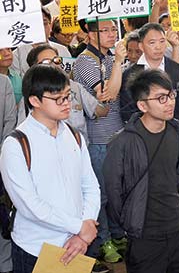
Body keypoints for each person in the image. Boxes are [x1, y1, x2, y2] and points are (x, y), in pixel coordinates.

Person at [0, 65, 100, 273]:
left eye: (67, 96)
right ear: (34, 101)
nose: (67, 104)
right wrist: (79, 227)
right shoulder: (17, 144)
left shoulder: (73, 135)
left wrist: (85, 229)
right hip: (36, 249)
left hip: (79, 244)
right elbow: (29, 205)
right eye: (58, 99)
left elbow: (90, 185)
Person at [103, 70, 179, 273]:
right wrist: (130, 223)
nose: (170, 102)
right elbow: (113, 191)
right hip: (144, 235)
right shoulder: (123, 142)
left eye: (171, 95)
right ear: (142, 105)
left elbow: (177, 175)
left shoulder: (178, 133)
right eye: (161, 98)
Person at [71, 18, 128, 263]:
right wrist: (117, 61)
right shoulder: (85, 60)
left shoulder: (108, 57)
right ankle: (103, 239)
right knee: (101, 194)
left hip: (118, 134)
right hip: (98, 138)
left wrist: (115, 61)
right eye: (103, 30)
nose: (110, 33)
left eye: (113, 29)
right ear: (88, 33)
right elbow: (108, 95)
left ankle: (117, 234)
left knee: (117, 190)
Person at [27, 44, 109, 143]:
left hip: (78, 151)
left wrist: (104, 97)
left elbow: (101, 111)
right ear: (34, 68)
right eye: (46, 62)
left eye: (56, 60)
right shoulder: (31, 96)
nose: (53, 65)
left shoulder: (75, 87)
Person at [120, 23, 179, 127]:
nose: (158, 47)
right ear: (141, 46)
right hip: (141, 133)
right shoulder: (130, 74)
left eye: (162, 41)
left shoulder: (178, 70)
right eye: (152, 43)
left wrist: (172, 128)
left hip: (173, 131)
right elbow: (127, 108)